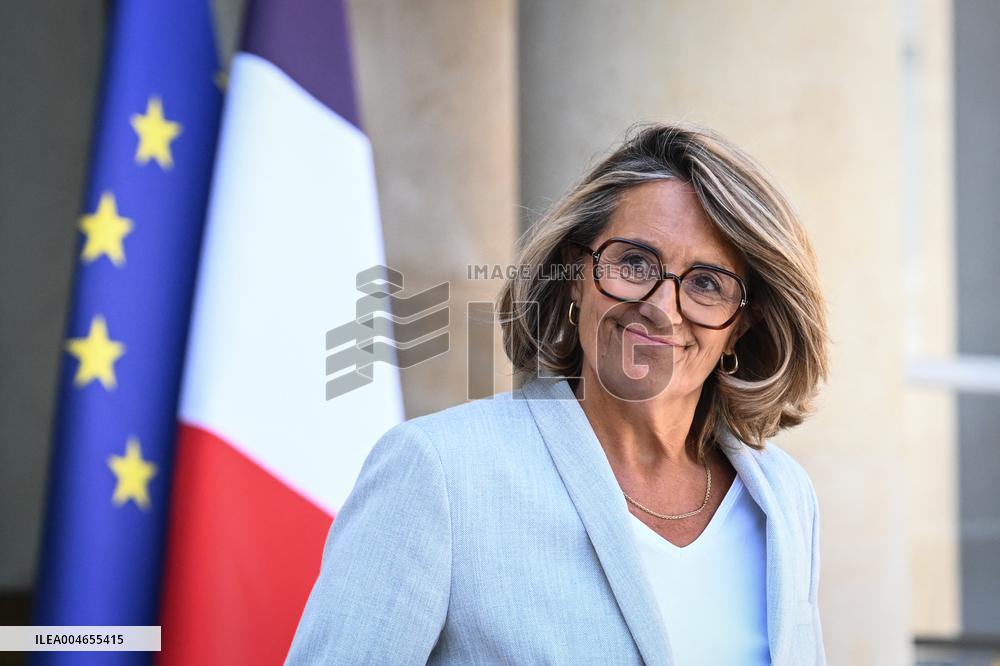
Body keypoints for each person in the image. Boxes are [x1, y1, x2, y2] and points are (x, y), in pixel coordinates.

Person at [286, 122, 830, 665]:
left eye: (707, 282)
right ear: (575, 273)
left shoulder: (782, 497)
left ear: (742, 324)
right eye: (634, 263)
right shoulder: (441, 474)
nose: (661, 310)